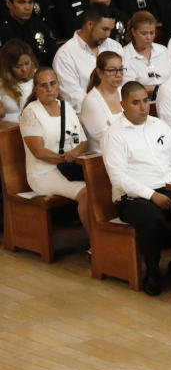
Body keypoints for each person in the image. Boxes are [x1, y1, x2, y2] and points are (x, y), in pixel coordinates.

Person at [103, 81, 171, 296]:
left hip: (167, 187)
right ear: (123, 104)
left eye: (145, 101)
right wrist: (152, 195)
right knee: (152, 219)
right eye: (136, 103)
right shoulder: (114, 134)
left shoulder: (159, 125)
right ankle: (152, 271)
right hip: (133, 197)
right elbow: (118, 178)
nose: (143, 107)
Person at [19, 67, 89, 231]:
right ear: (36, 89)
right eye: (43, 85)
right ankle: (97, 245)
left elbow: (83, 141)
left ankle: (110, 240)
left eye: (52, 84)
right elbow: (38, 151)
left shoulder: (66, 107)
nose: (49, 89)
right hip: (44, 173)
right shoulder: (31, 112)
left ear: (58, 85)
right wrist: (65, 158)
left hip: (69, 168)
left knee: (105, 185)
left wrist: (74, 154)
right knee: (86, 193)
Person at [52, 3, 122, 112]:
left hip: (120, 111)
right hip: (86, 118)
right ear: (90, 24)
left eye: (110, 30)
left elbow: (124, 83)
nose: (108, 34)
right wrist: (106, 111)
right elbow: (73, 99)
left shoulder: (115, 47)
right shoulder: (65, 55)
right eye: (104, 29)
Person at [79, 49, 123, 153]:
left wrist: (117, 127)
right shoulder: (91, 101)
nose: (118, 74)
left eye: (121, 69)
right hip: (104, 158)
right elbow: (107, 138)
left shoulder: (124, 92)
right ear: (100, 73)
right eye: (112, 70)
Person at [122, 10, 171, 98]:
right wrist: (158, 90)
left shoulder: (163, 50)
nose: (149, 37)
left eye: (152, 33)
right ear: (133, 32)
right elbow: (130, 88)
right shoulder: (124, 55)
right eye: (144, 33)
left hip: (169, 97)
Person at [0, 0, 56, 66]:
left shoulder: (40, 26)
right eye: (21, 2)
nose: (27, 7)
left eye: (30, 2)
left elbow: (53, 55)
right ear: (9, 4)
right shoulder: (3, 31)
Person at [0, 39, 37, 122]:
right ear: (8, 68)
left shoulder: (39, 76)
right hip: (9, 130)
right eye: (18, 66)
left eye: (27, 63)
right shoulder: (1, 84)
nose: (24, 69)